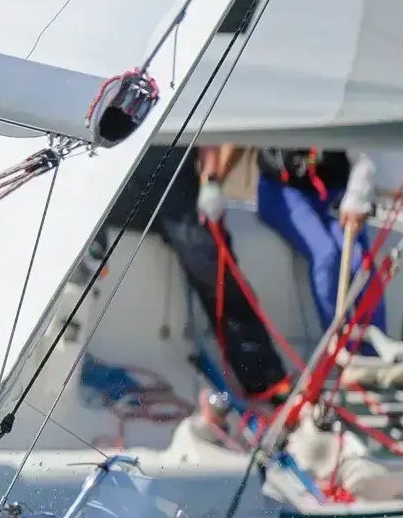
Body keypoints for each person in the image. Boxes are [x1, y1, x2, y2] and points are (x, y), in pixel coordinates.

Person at [111, 145, 291, 405]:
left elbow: (205, 131)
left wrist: (211, 181)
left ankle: (265, 377)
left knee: (214, 269)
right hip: (116, 178)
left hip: (171, 179)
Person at [254, 147, 384, 331]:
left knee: (362, 265)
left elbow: (365, 152)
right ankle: (336, 349)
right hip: (282, 191)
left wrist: (359, 194)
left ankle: (373, 354)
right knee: (327, 255)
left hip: (332, 193)